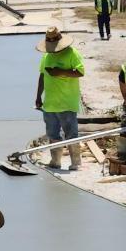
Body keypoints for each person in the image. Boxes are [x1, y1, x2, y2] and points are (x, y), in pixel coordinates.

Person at [35, 27, 85, 171]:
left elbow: (80, 72)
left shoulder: (72, 53)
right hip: (50, 103)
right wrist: (38, 96)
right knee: (52, 133)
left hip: (67, 102)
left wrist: (60, 72)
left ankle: (76, 163)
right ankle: (55, 161)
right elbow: (42, 76)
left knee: (71, 133)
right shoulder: (47, 56)